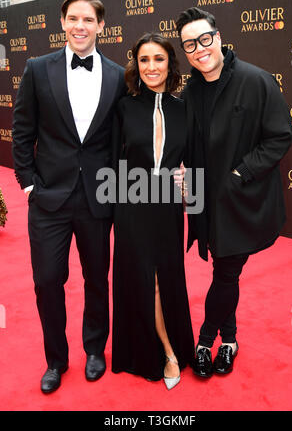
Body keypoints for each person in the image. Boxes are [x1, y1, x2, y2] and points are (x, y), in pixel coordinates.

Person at [12, 0, 126, 393]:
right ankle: (55, 360)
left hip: (98, 198)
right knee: (47, 280)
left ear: (101, 26)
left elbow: (119, 139)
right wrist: (28, 185)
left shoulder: (116, 75)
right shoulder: (37, 69)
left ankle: (95, 349)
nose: (80, 26)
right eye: (73, 18)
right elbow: (22, 132)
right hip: (48, 199)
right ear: (62, 23)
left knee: (98, 277)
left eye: (88, 20)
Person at [175, 7, 292, 377]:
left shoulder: (256, 81)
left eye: (204, 39)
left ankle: (206, 341)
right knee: (227, 272)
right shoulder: (191, 90)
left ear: (219, 37)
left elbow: (280, 138)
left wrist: (240, 174)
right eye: (190, 44)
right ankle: (231, 339)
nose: (199, 49)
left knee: (225, 273)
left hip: (242, 202)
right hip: (205, 204)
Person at [111, 32, 194, 389]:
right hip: (132, 203)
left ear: (170, 64)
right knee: (149, 279)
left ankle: (171, 344)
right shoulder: (124, 106)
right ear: (136, 65)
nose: (151, 67)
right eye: (144, 60)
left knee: (169, 276)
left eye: (158, 59)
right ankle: (166, 352)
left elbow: (192, 161)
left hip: (169, 206)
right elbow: (113, 160)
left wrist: (190, 186)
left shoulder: (183, 108)